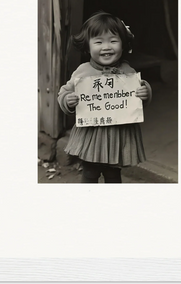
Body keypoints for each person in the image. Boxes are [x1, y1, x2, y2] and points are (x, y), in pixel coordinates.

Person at [57, 11, 152, 183]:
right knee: (89, 173)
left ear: (123, 45)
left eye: (113, 41)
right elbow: (64, 92)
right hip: (92, 136)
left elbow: (137, 97)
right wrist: (68, 100)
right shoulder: (83, 71)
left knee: (113, 175)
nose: (106, 47)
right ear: (88, 46)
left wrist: (144, 93)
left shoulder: (127, 72)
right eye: (99, 42)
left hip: (118, 136)